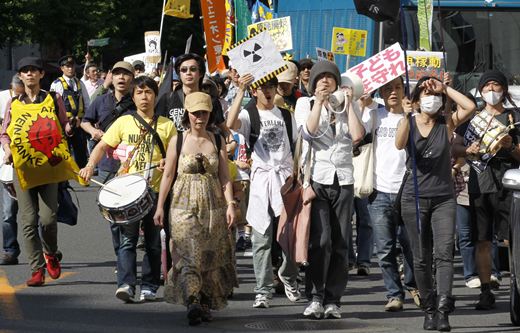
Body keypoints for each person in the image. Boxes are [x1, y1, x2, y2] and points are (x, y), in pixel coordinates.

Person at [79, 76, 175, 302]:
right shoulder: (123, 122)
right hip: (127, 192)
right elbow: (102, 146)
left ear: (155, 96)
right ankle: (126, 284)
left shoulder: (167, 125)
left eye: (149, 92)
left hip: (154, 190)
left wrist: (167, 162)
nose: (144, 97)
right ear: (133, 97)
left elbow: (175, 157)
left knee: (152, 242)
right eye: (140, 93)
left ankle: (150, 285)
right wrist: (90, 165)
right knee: (127, 241)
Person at [395, 76, 475, 331]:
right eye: (426, 94)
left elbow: (470, 107)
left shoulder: (446, 123)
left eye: (435, 96)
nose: (432, 98)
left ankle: (443, 310)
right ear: (417, 100)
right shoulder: (407, 120)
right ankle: (428, 308)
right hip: (414, 197)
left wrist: (445, 88)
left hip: (443, 197)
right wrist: (407, 116)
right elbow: (399, 144)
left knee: (444, 254)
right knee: (420, 257)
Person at [153, 92, 236, 325]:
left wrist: (230, 205)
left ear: (210, 114)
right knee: (188, 252)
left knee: (209, 255)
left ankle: (204, 302)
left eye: (204, 112)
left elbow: (224, 177)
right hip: (182, 203)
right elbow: (168, 175)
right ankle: (192, 300)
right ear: (187, 114)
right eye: (195, 113)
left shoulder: (217, 140)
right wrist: (160, 206)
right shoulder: (177, 141)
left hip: (213, 204)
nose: (199, 117)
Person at [294, 60, 365, 319]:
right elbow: (309, 132)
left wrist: (349, 106)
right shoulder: (306, 104)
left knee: (341, 242)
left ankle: (334, 299)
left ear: (338, 81)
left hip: (344, 179)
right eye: (320, 77)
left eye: (330, 77)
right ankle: (315, 295)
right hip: (318, 179)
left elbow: (357, 136)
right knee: (320, 241)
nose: (325, 81)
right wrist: (320, 103)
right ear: (313, 83)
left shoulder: (347, 104)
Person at [227, 74, 300, 309]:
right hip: (261, 181)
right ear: (255, 92)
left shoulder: (288, 116)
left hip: (286, 181)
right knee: (261, 239)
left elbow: (298, 148)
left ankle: (288, 276)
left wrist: (297, 177)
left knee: (291, 237)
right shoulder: (250, 115)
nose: (267, 91)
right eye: (262, 87)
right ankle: (262, 289)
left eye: (271, 87)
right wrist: (240, 90)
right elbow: (230, 123)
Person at [0, 57, 73, 286]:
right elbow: (5, 133)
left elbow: (63, 127)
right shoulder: (13, 103)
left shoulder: (53, 99)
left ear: (41, 74)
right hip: (23, 170)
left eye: (33, 71)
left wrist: (70, 128)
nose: (29, 74)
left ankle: (50, 253)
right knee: (28, 221)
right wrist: (7, 150)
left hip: (49, 168)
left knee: (48, 219)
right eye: (25, 71)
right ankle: (36, 269)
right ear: (20, 76)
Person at [452, 70, 520, 310]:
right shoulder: (473, 119)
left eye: (496, 86)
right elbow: (455, 146)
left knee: (513, 238)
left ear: (504, 90)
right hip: (480, 183)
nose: (492, 91)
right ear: (480, 91)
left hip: (510, 183)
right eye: (487, 87)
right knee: (482, 239)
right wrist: (468, 151)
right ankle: (484, 289)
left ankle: (516, 287)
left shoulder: (515, 117)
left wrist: (511, 147)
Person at [363, 78, 420, 311]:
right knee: (385, 248)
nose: (393, 92)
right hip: (379, 191)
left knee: (410, 244)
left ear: (405, 91)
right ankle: (394, 294)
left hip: (407, 191)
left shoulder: (415, 118)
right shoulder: (374, 116)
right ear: (381, 93)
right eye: (387, 88)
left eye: (397, 87)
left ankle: (413, 284)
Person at [80, 61, 136, 263]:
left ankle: (131, 256)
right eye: (117, 73)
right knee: (114, 218)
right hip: (106, 166)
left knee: (134, 217)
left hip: (134, 167)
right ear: (110, 77)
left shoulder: (140, 101)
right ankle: (122, 259)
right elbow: (84, 121)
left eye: (126, 74)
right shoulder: (101, 101)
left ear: (132, 78)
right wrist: (93, 131)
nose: (121, 78)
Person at [0, 74, 24, 265]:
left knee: (37, 215)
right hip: (7, 166)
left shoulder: (33, 102)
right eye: (17, 92)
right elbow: (4, 132)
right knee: (8, 213)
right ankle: (10, 250)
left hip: (30, 165)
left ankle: (45, 251)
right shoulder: (4, 100)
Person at [50, 55, 90, 168]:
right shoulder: (56, 84)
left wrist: (87, 119)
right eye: (67, 66)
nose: (70, 69)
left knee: (81, 151)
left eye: (72, 66)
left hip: (79, 123)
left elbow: (86, 102)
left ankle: (83, 176)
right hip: (64, 124)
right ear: (61, 68)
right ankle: (64, 182)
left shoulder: (80, 83)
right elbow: (53, 106)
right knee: (65, 152)